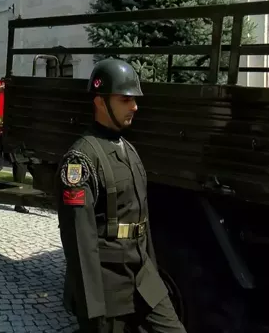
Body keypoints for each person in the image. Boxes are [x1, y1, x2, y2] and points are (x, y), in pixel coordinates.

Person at [56, 59, 186, 333]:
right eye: (125, 99)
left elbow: (142, 220)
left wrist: (154, 272)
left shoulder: (128, 149)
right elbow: (80, 240)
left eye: (135, 99)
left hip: (143, 277)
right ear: (101, 101)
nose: (135, 106)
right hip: (109, 284)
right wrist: (92, 311)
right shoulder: (80, 160)